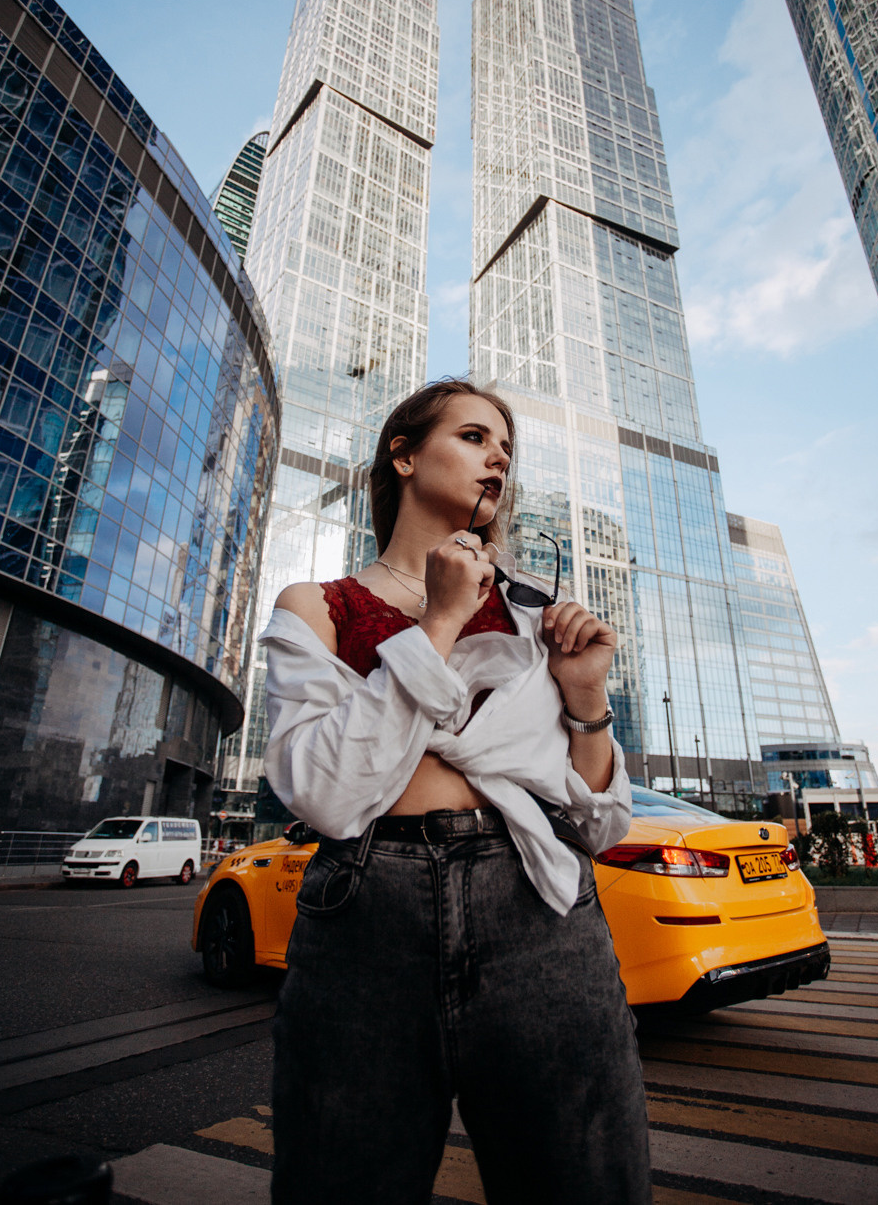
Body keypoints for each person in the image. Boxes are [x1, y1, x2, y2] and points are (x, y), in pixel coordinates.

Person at [262, 379, 651, 1205]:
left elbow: (599, 824)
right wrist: (435, 624)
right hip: (368, 914)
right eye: (475, 437)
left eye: (505, 450)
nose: (498, 459)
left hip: (538, 913)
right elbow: (326, 793)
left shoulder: (534, 618)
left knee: (583, 1183)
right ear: (404, 455)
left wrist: (585, 698)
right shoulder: (320, 607)